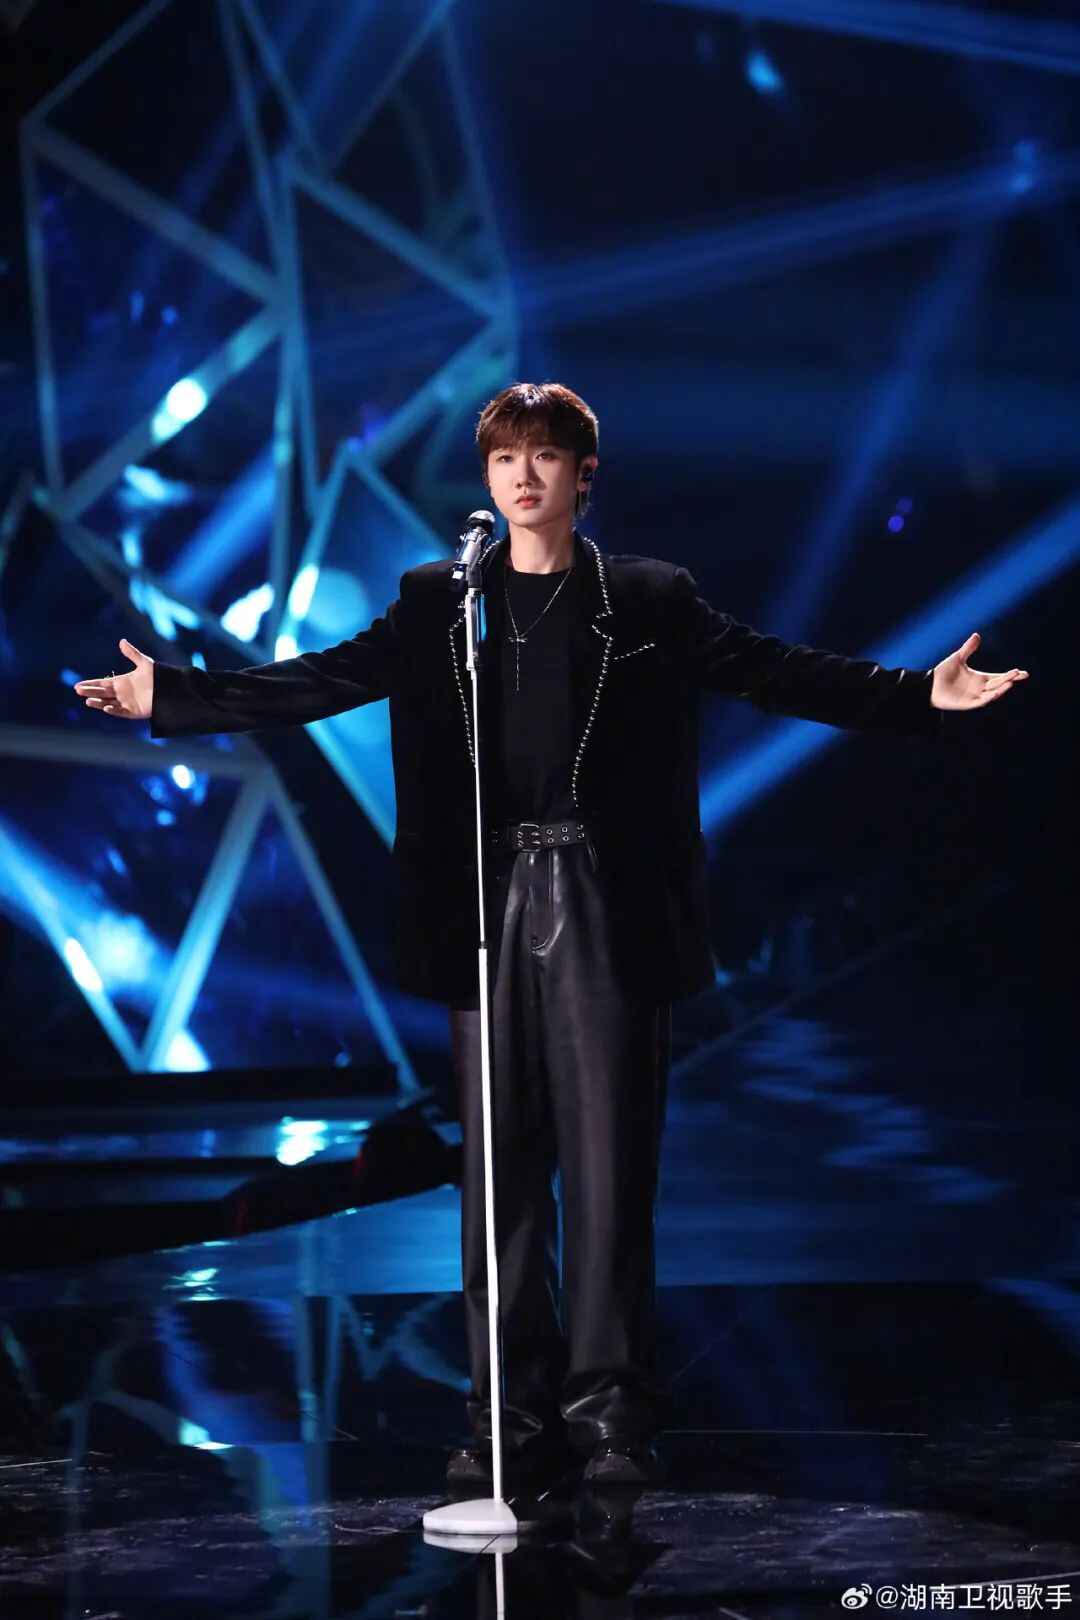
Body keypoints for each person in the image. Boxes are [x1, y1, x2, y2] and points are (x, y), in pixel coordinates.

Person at [73, 381, 1029, 1491]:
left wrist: (917, 695)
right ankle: (506, 1416)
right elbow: (323, 679)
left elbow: (772, 670)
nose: (522, 476)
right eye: (504, 459)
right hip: (487, 898)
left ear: (583, 475)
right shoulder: (443, 601)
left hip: (605, 897)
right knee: (500, 1175)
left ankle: (610, 1414)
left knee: (610, 1170)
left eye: (544, 456)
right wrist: (175, 698)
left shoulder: (648, 599)